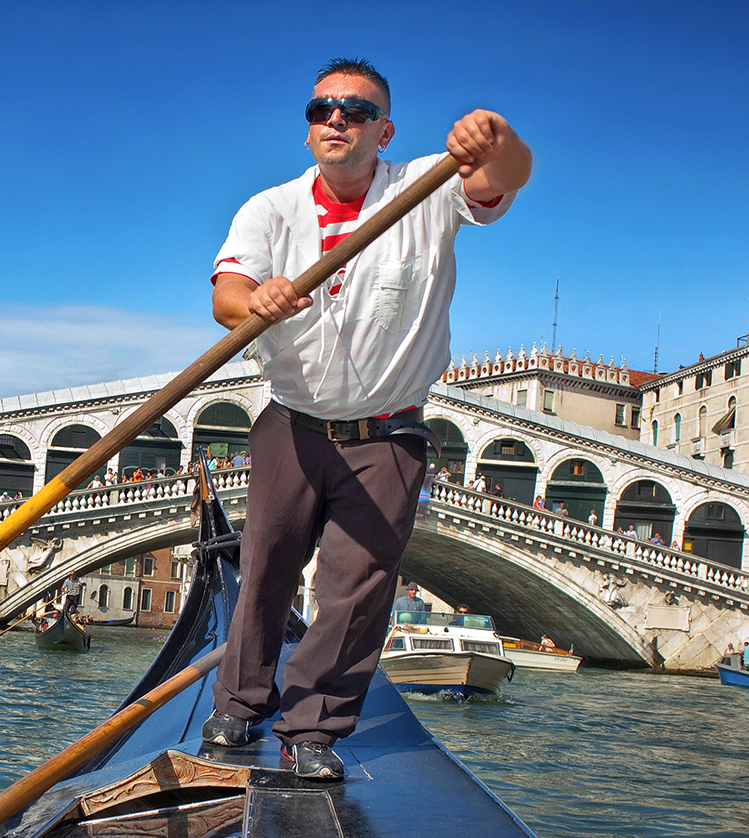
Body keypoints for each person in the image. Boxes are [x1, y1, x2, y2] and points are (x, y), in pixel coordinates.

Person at [201, 58, 531, 781]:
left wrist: (495, 136)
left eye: (355, 109)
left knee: (355, 589)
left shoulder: (429, 186)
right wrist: (254, 304)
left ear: (384, 129)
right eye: (323, 109)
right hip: (291, 422)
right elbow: (227, 294)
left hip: (387, 432)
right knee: (262, 572)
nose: (337, 119)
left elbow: (504, 178)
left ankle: (313, 726)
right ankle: (238, 702)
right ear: (311, 124)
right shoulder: (271, 208)